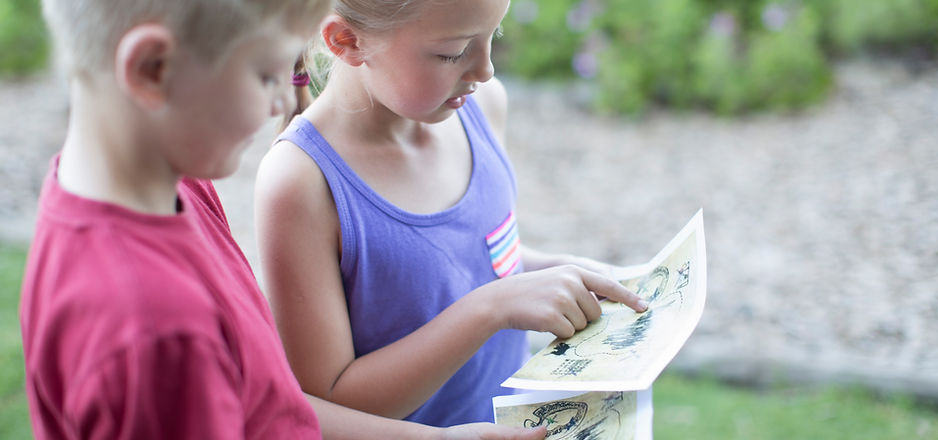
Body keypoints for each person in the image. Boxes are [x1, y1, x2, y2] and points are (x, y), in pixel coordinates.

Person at [19, 0, 547, 438]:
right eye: (267, 74)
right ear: (152, 69)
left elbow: (267, 402)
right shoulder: (155, 333)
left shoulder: (171, 188)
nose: (284, 101)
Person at [254, 0, 650, 428]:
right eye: (453, 52)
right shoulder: (302, 182)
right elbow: (329, 405)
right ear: (346, 41)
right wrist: (491, 309)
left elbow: (467, 259)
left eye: (494, 35)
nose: (486, 70)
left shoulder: (482, 108)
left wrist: (558, 272)